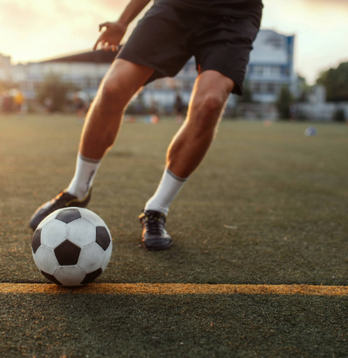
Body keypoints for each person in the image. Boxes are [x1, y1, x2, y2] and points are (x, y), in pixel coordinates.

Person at [29, 0, 263, 251]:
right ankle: (77, 189)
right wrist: (123, 21)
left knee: (210, 104)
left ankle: (156, 209)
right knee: (112, 89)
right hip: (176, 7)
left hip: (235, 13)